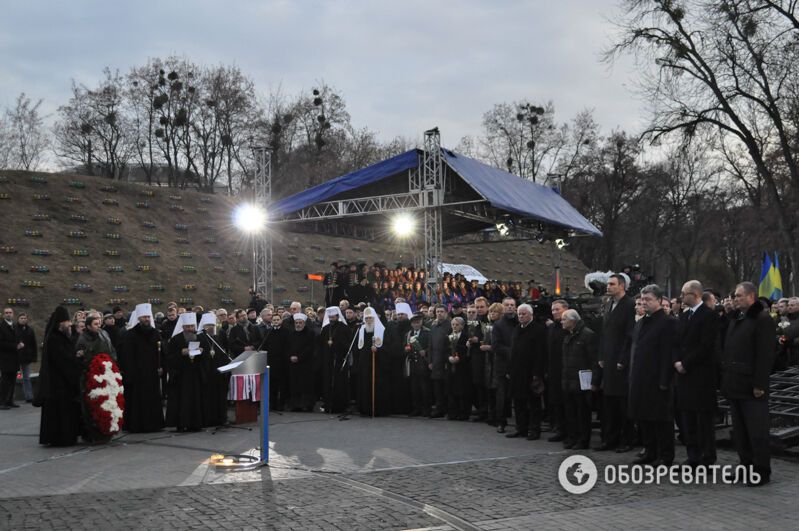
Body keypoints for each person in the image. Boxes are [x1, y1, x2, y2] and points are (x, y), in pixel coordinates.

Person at [721, 281, 776, 486]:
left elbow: (765, 355)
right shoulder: (738, 319)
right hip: (735, 383)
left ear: (751, 296)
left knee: (756, 431)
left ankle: (761, 470)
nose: (735, 299)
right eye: (735, 296)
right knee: (741, 431)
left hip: (752, 385)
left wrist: (759, 384)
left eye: (739, 296)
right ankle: (746, 466)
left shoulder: (761, 319)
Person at [628, 284, 676, 466]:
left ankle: (665, 455)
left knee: (661, 420)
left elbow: (667, 353)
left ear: (659, 300)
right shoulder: (641, 322)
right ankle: (650, 451)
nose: (644, 303)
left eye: (648, 300)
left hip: (658, 379)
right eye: (642, 300)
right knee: (644, 417)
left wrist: (665, 380)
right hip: (640, 377)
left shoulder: (668, 322)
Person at [674, 280, 720, 467]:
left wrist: (686, 363)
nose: (681, 297)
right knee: (688, 419)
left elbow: (706, 345)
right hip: (684, 376)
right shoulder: (684, 316)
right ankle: (692, 456)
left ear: (694, 294)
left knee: (703, 420)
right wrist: (676, 361)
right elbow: (677, 342)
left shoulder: (709, 316)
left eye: (684, 293)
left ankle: (707, 457)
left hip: (701, 375)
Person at [593, 274, 636, 453]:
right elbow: (605, 333)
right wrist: (601, 355)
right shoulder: (609, 304)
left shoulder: (629, 305)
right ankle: (609, 438)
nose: (608, 287)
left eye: (612, 284)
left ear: (622, 286)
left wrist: (623, 359)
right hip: (608, 360)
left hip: (621, 362)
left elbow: (629, 335)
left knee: (622, 404)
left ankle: (627, 440)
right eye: (608, 284)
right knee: (608, 402)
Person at [36, 306, 85, 446]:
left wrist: (75, 357)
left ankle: (66, 436)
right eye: (67, 321)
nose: (70, 324)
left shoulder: (61, 337)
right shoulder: (54, 339)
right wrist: (77, 362)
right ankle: (60, 438)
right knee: (60, 412)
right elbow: (63, 360)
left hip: (63, 382)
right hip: (58, 383)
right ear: (60, 323)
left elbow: (67, 356)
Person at [118, 303, 165, 433]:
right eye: (144, 317)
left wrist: (161, 366)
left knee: (152, 399)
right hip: (137, 374)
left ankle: (154, 424)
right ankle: (137, 425)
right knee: (137, 401)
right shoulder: (130, 335)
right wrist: (130, 374)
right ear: (139, 318)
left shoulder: (155, 333)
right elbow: (126, 356)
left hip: (152, 373)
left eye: (148, 317)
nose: (146, 319)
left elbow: (161, 352)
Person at [506, 304, 548, 440]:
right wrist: (509, 369)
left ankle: (534, 429)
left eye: (524, 314)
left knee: (533, 403)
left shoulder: (539, 330)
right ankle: (521, 428)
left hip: (531, 372)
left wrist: (537, 373)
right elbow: (512, 351)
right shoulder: (517, 329)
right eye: (519, 314)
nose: (521, 316)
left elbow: (540, 354)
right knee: (518, 402)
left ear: (531, 315)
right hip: (517, 371)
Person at [561, 309, 597, 449]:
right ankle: (573, 437)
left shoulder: (587, 335)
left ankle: (583, 439)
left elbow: (593, 360)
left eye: (564, 319)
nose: (562, 321)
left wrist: (593, 381)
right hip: (569, 380)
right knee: (570, 412)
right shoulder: (568, 336)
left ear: (572, 320)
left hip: (581, 382)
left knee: (582, 413)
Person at [165, 313, 205, 431]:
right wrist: (181, 353)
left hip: (195, 374)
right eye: (187, 326)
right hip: (181, 375)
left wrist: (201, 351)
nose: (190, 329)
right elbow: (169, 357)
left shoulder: (200, 338)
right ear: (183, 327)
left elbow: (205, 358)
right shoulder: (175, 339)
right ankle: (182, 424)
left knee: (195, 399)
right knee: (182, 400)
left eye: (192, 326)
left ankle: (196, 423)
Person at [355, 307, 390, 416]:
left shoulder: (382, 330)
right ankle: (365, 409)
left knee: (377, 386)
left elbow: (388, 348)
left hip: (378, 365)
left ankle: (378, 409)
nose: (368, 320)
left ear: (375, 318)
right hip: (365, 364)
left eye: (370, 318)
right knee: (365, 385)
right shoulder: (361, 330)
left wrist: (378, 350)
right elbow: (358, 349)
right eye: (366, 318)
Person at [198, 312, 230, 427]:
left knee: (221, 396)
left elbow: (225, 350)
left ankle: (222, 418)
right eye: (208, 325)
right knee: (208, 397)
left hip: (219, 371)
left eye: (212, 325)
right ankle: (208, 420)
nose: (210, 327)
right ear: (203, 326)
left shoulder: (220, 334)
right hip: (207, 371)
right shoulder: (200, 337)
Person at [319, 307, 351, 414]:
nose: (331, 319)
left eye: (333, 317)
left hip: (339, 359)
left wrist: (337, 344)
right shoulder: (325, 329)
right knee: (327, 382)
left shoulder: (344, 328)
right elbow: (320, 344)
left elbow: (348, 344)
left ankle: (340, 406)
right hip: (327, 359)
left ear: (338, 316)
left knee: (339, 383)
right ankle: (328, 404)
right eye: (330, 317)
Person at [546, 300, 569, 442]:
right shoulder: (551, 328)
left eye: (557, 309)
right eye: (553, 310)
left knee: (567, 403)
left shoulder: (568, 327)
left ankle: (569, 431)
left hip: (566, 369)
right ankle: (560, 429)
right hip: (553, 370)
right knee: (557, 402)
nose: (554, 312)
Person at [386, 302, 413, 415]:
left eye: (403, 314)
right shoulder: (392, 325)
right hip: (394, 360)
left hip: (407, 360)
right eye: (399, 314)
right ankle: (395, 407)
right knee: (395, 384)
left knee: (407, 385)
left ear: (407, 314)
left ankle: (407, 408)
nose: (400, 316)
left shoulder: (411, 326)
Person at [286, 313, 316, 412]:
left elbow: (310, 348)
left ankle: (306, 405)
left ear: (304, 323)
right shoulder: (291, 333)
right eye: (296, 323)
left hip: (305, 364)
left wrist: (299, 357)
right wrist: (291, 356)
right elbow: (287, 347)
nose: (298, 325)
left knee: (305, 385)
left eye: (300, 323)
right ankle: (295, 405)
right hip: (293, 364)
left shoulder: (310, 333)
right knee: (294, 384)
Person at [406, 312, 432, 416]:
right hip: (413, 364)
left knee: (425, 388)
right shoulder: (408, 334)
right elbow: (405, 346)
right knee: (414, 389)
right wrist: (406, 349)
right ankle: (416, 408)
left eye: (418, 322)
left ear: (421, 322)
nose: (416, 324)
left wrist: (425, 351)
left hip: (423, 363)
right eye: (414, 322)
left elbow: (432, 346)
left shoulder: (427, 333)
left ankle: (427, 409)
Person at [429, 304, 452, 418]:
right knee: (437, 387)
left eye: (441, 311)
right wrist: (430, 361)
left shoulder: (450, 326)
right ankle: (439, 408)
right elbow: (430, 345)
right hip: (435, 360)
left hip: (446, 360)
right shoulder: (433, 326)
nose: (439, 313)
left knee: (446, 387)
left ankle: (447, 408)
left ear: (446, 313)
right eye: (437, 312)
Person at [446, 317, 471, 420]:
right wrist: (449, 357)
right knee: (451, 391)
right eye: (453, 324)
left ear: (462, 326)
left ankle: (464, 413)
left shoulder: (466, 337)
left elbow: (468, 352)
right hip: (451, 366)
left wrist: (459, 358)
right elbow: (445, 349)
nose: (454, 327)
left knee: (462, 391)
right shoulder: (449, 336)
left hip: (462, 367)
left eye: (457, 324)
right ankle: (453, 413)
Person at [0, 307, 21, 409]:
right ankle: (2, 402)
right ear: (4, 315)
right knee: (5, 381)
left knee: (13, 381)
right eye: (6, 313)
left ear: (13, 314)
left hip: (14, 358)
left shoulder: (15, 326)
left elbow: (16, 339)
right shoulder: (1, 326)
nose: (8, 314)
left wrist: (19, 344)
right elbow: (1, 342)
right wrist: (15, 346)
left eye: (10, 312)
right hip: (5, 359)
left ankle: (10, 401)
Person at [16, 312, 37, 403]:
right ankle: (9, 397)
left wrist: (34, 357)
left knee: (26, 377)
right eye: (21, 318)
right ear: (18, 319)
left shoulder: (30, 330)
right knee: (12, 377)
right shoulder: (14, 329)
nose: (23, 319)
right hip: (15, 357)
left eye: (25, 318)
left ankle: (29, 396)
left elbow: (34, 344)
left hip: (26, 357)